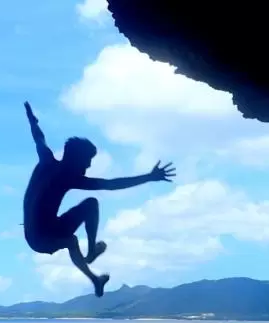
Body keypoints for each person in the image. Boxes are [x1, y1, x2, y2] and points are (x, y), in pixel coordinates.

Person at [21, 101, 175, 297]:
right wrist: (149, 177)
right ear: (75, 159)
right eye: (87, 162)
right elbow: (111, 184)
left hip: (37, 232)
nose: (88, 167)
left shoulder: (47, 160)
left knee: (90, 206)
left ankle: (92, 253)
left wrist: (32, 120)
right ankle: (94, 276)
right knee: (72, 239)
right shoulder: (68, 177)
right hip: (41, 239)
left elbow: (39, 138)